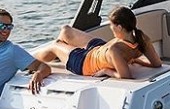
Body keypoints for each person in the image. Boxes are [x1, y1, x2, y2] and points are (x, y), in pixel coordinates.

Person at [34, 6, 162, 78]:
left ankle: (31, 61)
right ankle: (61, 56)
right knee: (66, 30)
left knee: (55, 46)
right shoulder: (141, 37)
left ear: (119, 27)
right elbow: (156, 64)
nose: (110, 28)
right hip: (99, 49)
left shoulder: (115, 50)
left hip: (83, 62)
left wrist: (106, 71)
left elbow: (125, 77)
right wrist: (137, 60)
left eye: (112, 25)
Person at [0, 9, 51, 94]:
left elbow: (43, 66)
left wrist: (39, 74)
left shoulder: (12, 51)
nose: (6, 30)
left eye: (9, 27)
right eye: (2, 26)